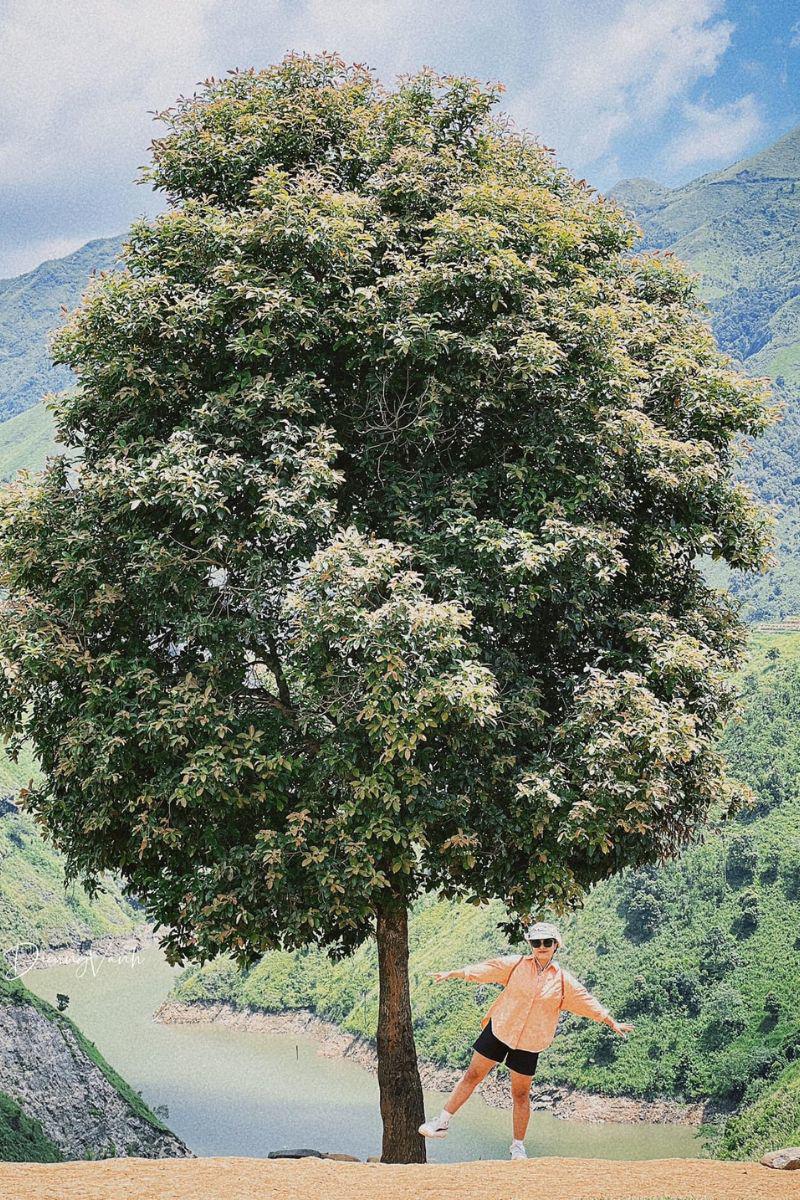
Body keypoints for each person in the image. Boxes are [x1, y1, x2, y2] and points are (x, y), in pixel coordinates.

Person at [418, 920, 634, 1160]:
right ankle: (442, 1122)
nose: (541, 947)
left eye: (547, 942)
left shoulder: (563, 981)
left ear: (556, 945)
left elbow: (586, 1001)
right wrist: (455, 973)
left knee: (520, 1094)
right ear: (530, 944)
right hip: (500, 1029)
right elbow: (487, 969)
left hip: (530, 1042)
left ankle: (518, 1147)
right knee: (472, 1076)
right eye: (536, 942)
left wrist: (610, 1021)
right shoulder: (516, 965)